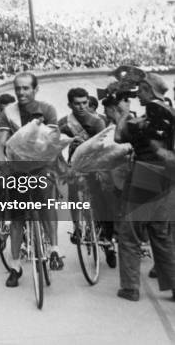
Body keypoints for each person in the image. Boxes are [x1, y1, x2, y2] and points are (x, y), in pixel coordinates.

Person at [0, 72, 63, 288]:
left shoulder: (48, 110)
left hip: (42, 165)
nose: (21, 92)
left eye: (26, 88)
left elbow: (54, 142)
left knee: (45, 202)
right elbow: (0, 144)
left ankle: (54, 250)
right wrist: (3, 166)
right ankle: (15, 266)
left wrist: (53, 168)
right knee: (17, 218)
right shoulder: (9, 112)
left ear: (35, 89)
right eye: (18, 88)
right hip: (18, 168)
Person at [114, 72, 175, 301]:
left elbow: (120, 137)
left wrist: (123, 113)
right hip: (166, 175)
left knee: (129, 232)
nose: (137, 93)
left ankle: (130, 287)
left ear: (149, 90)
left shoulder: (153, 113)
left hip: (147, 172)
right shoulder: (169, 112)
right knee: (160, 233)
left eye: (140, 89)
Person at [58, 88, 115, 268]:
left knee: (105, 197)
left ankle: (109, 240)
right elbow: (53, 147)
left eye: (84, 103)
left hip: (96, 163)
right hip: (75, 163)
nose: (82, 107)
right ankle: (77, 227)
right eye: (77, 104)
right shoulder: (64, 124)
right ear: (70, 105)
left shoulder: (99, 121)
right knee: (73, 191)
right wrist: (61, 167)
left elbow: (106, 145)